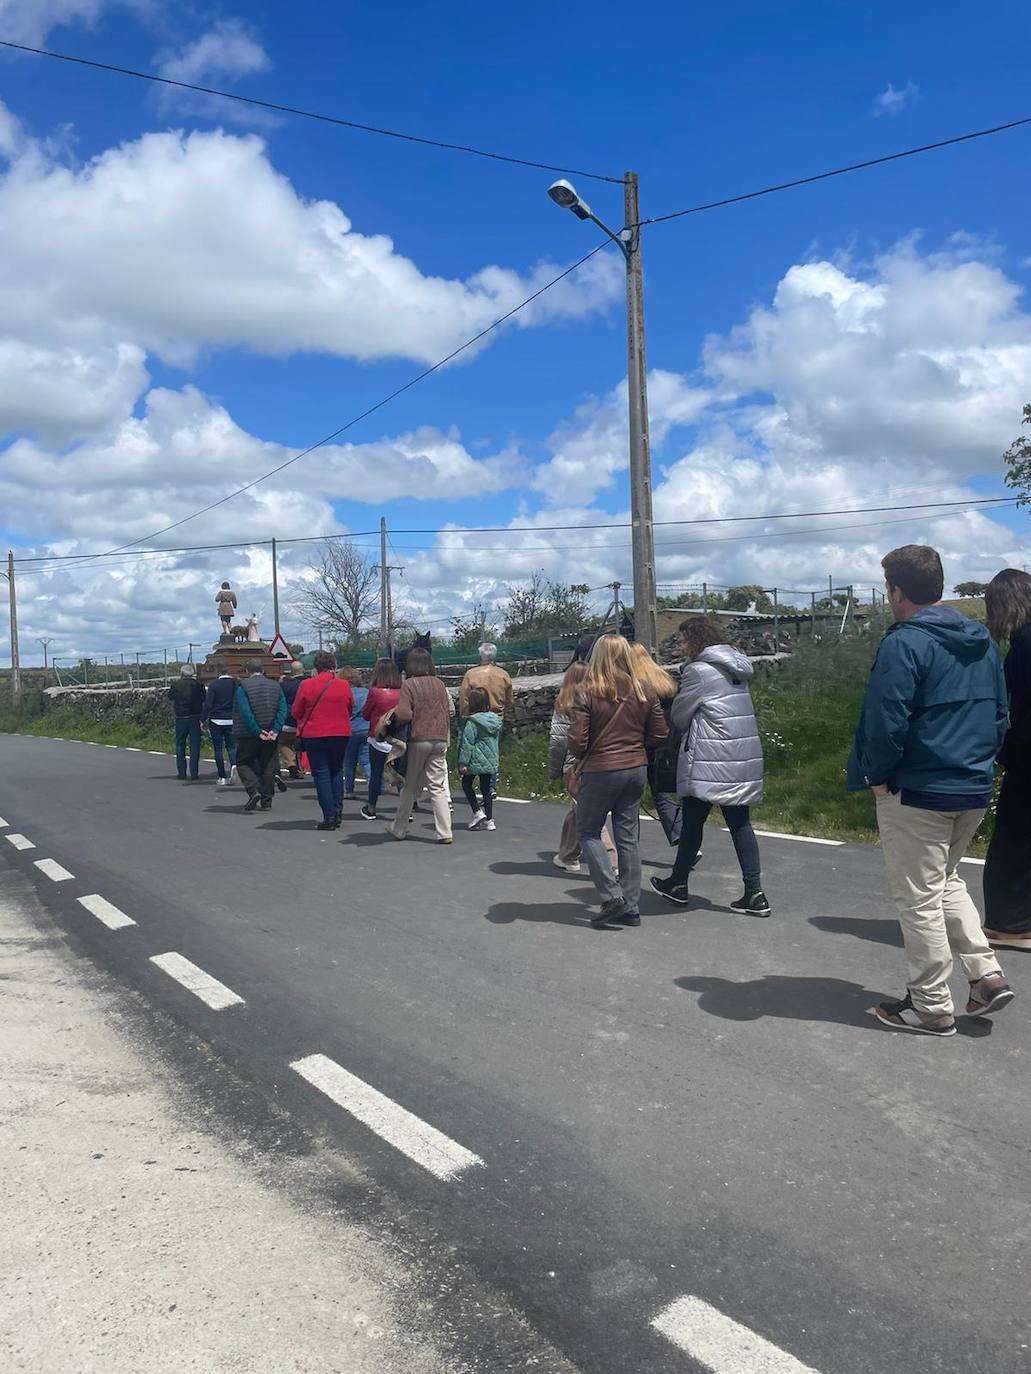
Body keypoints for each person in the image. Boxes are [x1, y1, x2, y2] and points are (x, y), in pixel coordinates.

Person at [846, 545, 1014, 1036]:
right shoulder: (980, 638)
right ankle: (985, 977)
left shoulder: (905, 642)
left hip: (918, 789)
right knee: (945, 881)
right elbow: (1000, 712)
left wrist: (877, 777)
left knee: (917, 898)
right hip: (972, 784)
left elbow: (884, 721)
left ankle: (930, 1005)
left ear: (896, 591)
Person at [650, 617, 768, 913]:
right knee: (740, 823)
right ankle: (754, 892)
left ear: (695, 639)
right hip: (738, 757)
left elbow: (678, 716)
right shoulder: (735, 666)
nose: (681, 645)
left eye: (683, 640)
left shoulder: (699, 671)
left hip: (709, 758)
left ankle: (678, 884)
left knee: (692, 823)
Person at [566, 635, 668, 928]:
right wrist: (635, 746)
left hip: (600, 770)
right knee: (628, 837)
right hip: (636, 768)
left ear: (598, 656)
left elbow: (577, 742)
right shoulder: (644, 688)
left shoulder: (586, 691)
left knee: (588, 832)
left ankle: (612, 898)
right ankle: (631, 906)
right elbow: (660, 733)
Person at [982, 568, 1031, 951]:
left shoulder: (1023, 646)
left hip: (1027, 760)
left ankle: (1010, 924)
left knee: (1012, 842)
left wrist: (1003, 749)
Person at [548, 660, 618, 874]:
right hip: (600, 761)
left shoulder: (564, 703)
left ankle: (611, 861)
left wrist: (554, 770)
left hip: (575, 766)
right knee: (578, 811)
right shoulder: (600, 700)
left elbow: (558, 741)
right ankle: (568, 855)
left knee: (589, 813)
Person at [390, 648, 454, 843]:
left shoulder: (409, 684)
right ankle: (445, 832)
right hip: (440, 738)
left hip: (419, 739)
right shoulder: (440, 684)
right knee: (438, 787)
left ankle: (399, 828)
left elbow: (404, 714)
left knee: (409, 785)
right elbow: (449, 710)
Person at [629, 641, 682, 849]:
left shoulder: (636, 686)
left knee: (630, 802)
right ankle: (683, 839)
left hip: (643, 748)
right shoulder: (665, 680)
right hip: (668, 747)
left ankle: (630, 846)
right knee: (662, 796)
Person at [292, 651, 354, 830]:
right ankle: (338, 811)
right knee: (336, 771)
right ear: (333, 666)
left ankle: (329, 817)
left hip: (314, 734)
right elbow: (350, 707)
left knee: (321, 774)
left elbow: (296, 712)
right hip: (340, 733)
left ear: (315, 667)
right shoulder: (343, 685)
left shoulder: (306, 685)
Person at [233, 658, 287, 813]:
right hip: (270, 732)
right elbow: (282, 709)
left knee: (243, 762)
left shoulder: (243, 687)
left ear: (247, 671)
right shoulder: (276, 686)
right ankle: (267, 800)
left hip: (248, 733)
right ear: (263, 670)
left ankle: (253, 790)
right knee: (268, 764)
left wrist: (257, 730)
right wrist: (275, 730)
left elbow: (245, 712)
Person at [360, 658, 402, 820]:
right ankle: (407, 809)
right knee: (400, 774)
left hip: (378, 738)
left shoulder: (375, 692)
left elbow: (365, 714)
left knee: (376, 773)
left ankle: (371, 807)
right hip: (398, 738)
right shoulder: (402, 691)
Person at [457, 686, 502, 830]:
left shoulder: (473, 722)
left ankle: (477, 812)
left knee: (466, 784)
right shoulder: (495, 720)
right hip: (490, 759)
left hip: (475, 759)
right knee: (486, 789)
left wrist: (463, 762)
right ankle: (490, 821)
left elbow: (468, 742)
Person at [167, 663, 206, 782]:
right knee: (195, 745)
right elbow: (204, 699)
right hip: (195, 716)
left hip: (181, 717)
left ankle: (182, 772)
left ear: (182, 673)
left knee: (180, 745)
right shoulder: (199, 685)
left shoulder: (176, 685)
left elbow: (170, 697)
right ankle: (194, 773)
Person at [339, 667, 371, 800]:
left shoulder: (344, 693)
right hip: (366, 729)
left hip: (350, 731)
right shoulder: (366, 692)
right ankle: (373, 786)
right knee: (367, 761)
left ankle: (349, 790)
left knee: (349, 762)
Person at [202, 666, 238, 787]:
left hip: (216, 720)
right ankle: (234, 765)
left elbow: (208, 704)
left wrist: (202, 720)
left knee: (218, 749)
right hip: (231, 719)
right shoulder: (235, 685)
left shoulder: (214, 685)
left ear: (219, 672)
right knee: (231, 747)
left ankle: (222, 777)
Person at [458, 643, 513, 720]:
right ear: (494, 656)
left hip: (476, 719)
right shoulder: (504, 674)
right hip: (498, 718)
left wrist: (464, 717)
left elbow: (464, 699)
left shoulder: (470, 674)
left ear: (480, 656)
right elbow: (509, 701)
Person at [278, 661, 306, 780]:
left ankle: (291, 764)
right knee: (302, 745)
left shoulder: (285, 685)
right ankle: (301, 767)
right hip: (303, 721)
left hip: (287, 720)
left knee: (284, 743)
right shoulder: (307, 683)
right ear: (303, 669)